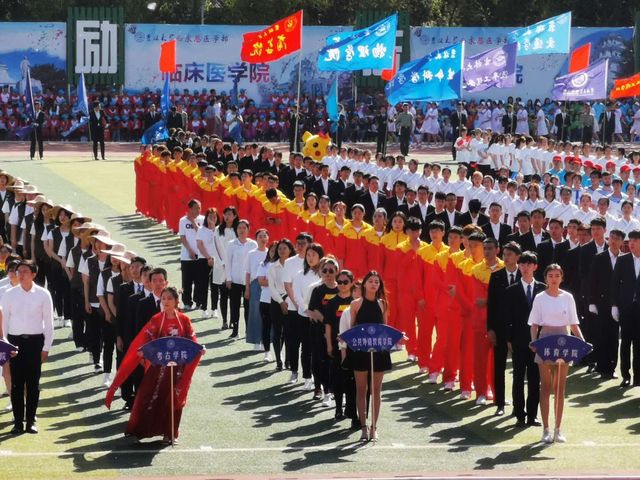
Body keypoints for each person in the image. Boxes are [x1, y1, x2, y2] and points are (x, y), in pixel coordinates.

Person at [106, 286, 203, 443]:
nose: (166, 301)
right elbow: (148, 339)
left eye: (169, 298)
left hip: (178, 369)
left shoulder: (184, 320)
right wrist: (143, 351)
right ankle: (138, 430)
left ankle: (170, 433)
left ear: (176, 301)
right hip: (158, 369)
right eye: (163, 298)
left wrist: (199, 349)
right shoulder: (156, 319)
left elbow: (192, 340)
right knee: (146, 396)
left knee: (174, 399)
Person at [528, 263, 586, 443]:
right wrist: (534, 342)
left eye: (557, 276)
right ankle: (546, 429)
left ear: (562, 277)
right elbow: (534, 325)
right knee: (545, 387)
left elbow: (574, 323)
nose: (554, 279)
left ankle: (558, 429)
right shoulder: (539, 298)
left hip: (564, 342)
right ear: (545, 278)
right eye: (550, 276)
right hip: (546, 341)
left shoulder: (568, 297)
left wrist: (582, 342)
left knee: (560, 388)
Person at [2, 260, 54, 434]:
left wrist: (46, 347)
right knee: (16, 384)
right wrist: (5, 345)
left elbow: (49, 323)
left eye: (25, 271)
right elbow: (5, 321)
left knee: (33, 383)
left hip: (35, 342)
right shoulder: (9, 294)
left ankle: (30, 421)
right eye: (19, 271)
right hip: (14, 342)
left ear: (33, 274)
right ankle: (18, 422)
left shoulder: (43, 294)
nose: (21, 274)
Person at [349, 271, 392, 442]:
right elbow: (352, 328)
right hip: (360, 351)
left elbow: (385, 328)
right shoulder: (355, 304)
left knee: (376, 390)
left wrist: (396, 337)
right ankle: (363, 427)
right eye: (371, 281)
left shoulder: (383, 304)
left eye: (377, 282)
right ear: (364, 283)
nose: (374, 284)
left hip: (379, 352)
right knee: (361, 389)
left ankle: (374, 427)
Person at [504, 251, 545, 427]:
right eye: (522, 265)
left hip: (538, 342)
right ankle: (520, 414)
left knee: (535, 380)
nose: (525, 268)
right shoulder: (511, 290)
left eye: (529, 264)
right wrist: (508, 340)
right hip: (518, 340)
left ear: (535, 267)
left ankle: (532, 415)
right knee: (518, 378)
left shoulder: (543, 289)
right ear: (518, 266)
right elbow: (507, 317)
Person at [486, 241, 522, 416]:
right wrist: (490, 329)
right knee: (499, 367)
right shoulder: (496, 276)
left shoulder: (525, 275)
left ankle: (518, 406)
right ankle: (499, 403)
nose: (506, 258)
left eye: (509, 255)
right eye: (505, 254)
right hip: (499, 329)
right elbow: (491, 305)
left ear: (517, 257)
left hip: (519, 330)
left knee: (519, 369)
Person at [588, 229, 624, 380]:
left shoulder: (625, 258)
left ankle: (611, 367)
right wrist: (591, 302)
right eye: (612, 238)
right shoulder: (599, 257)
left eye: (617, 238)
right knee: (601, 335)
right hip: (602, 303)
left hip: (619, 303)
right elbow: (592, 281)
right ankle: (602, 367)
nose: (614, 241)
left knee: (614, 336)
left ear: (622, 242)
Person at [290, 243, 324, 391]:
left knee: (320, 349)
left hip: (321, 317)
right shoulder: (299, 275)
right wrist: (307, 311)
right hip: (304, 316)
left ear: (320, 257)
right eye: (308, 255)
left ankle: (321, 380)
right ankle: (307, 377)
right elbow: (297, 295)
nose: (310, 258)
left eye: (314, 255)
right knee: (306, 348)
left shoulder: (324, 274)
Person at [324, 269, 356, 423]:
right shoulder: (332, 302)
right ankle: (338, 409)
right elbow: (328, 325)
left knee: (352, 379)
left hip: (354, 346)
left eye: (346, 282)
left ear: (352, 283)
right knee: (338, 378)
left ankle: (351, 409)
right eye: (340, 282)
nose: (342, 285)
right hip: (337, 347)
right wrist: (329, 345)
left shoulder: (355, 302)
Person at [307, 257, 339, 404]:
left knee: (335, 363)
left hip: (338, 333)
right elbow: (314, 310)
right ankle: (323, 390)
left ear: (336, 272)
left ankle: (335, 391)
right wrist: (328, 325)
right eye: (324, 270)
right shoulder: (317, 290)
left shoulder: (342, 288)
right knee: (320, 361)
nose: (327, 273)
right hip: (319, 331)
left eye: (331, 271)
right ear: (320, 272)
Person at [611, 229, 640, 388]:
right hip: (626, 308)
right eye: (631, 240)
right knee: (625, 342)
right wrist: (614, 305)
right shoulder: (623, 260)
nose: (632, 243)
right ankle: (626, 375)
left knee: (639, 344)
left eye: (636, 240)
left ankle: (638, 377)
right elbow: (614, 284)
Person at [225, 219, 257, 339]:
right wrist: (228, 278)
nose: (242, 230)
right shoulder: (231, 244)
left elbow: (255, 263)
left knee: (248, 307)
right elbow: (228, 262)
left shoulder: (253, 244)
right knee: (234, 306)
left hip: (249, 281)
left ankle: (248, 331)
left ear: (248, 230)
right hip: (235, 280)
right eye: (239, 228)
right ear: (236, 230)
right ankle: (235, 330)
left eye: (244, 228)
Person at [266, 239, 295, 371]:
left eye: (284, 248)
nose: (282, 251)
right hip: (277, 301)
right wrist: (281, 301)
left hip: (292, 301)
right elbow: (271, 287)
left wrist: (288, 299)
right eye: (279, 249)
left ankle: (288, 360)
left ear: (290, 250)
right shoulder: (273, 267)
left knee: (289, 332)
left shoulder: (294, 265)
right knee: (277, 332)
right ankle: (279, 360)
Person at [245, 229, 269, 350]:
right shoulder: (251, 253)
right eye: (260, 236)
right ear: (256, 239)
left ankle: (266, 341)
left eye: (265, 236)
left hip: (268, 285)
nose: (262, 238)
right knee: (255, 312)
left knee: (267, 313)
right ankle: (256, 341)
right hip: (255, 284)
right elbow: (248, 272)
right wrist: (247, 288)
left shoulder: (270, 253)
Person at [179, 199, 204, 311]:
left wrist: (193, 221)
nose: (198, 210)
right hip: (186, 256)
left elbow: (201, 233)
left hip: (201, 255)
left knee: (199, 280)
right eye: (195, 208)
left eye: (199, 208)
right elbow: (183, 237)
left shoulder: (203, 219)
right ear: (189, 209)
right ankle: (187, 302)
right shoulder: (182, 220)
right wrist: (190, 251)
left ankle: (199, 302)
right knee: (186, 281)